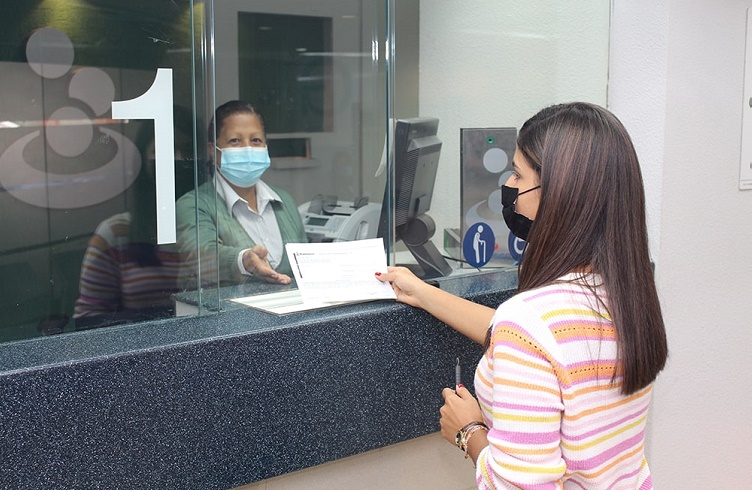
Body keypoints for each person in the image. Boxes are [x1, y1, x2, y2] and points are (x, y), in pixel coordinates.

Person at [376, 102, 668, 489]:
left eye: (518, 173)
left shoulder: (531, 323)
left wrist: (470, 433)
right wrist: (425, 294)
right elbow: (539, 339)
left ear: (561, 193)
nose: (509, 186)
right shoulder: (625, 294)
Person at [73, 106, 195, 328]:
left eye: (186, 150)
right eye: (164, 150)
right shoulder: (115, 234)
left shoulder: (214, 224)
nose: (176, 160)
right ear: (144, 158)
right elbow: (88, 322)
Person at [175, 100, 306, 288]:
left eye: (256, 140)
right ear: (213, 150)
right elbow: (202, 257)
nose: (248, 149)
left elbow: (305, 267)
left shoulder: (284, 200)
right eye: (235, 140)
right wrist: (244, 261)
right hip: (226, 316)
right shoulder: (194, 205)